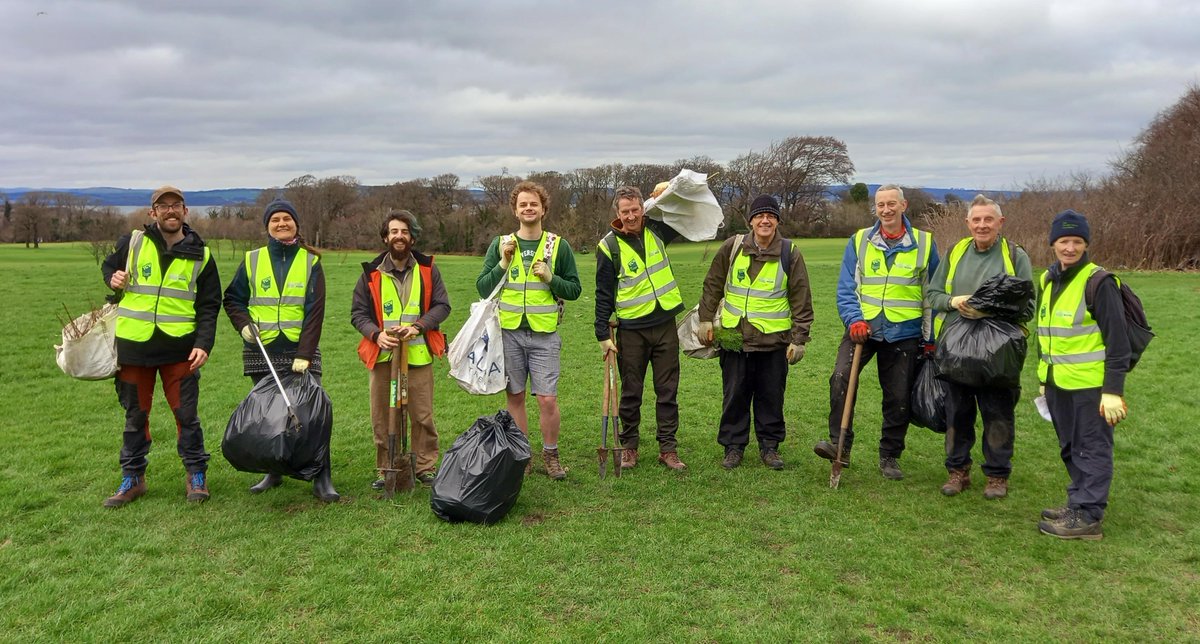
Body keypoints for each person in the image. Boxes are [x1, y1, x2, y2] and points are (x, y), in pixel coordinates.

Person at [99, 185, 221, 507]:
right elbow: (109, 267)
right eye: (163, 206)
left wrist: (204, 344)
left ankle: (196, 475)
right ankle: (133, 479)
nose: (170, 211)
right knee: (135, 417)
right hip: (134, 348)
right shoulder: (133, 242)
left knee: (187, 416)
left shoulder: (202, 254)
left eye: (176, 205)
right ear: (152, 212)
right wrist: (112, 277)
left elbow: (210, 305)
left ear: (185, 211)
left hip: (180, 351)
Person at [813, 184, 939, 480]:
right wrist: (854, 319)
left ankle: (890, 456)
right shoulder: (860, 241)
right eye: (881, 204)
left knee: (898, 397)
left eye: (891, 204)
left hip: (904, 332)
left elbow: (933, 295)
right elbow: (846, 288)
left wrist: (930, 339)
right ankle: (839, 446)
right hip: (863, 328)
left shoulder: (924, 243)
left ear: (903, 205)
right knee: (840, 378)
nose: (886, 209)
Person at [222, 198, 338, 502]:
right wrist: (243, 324)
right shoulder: (252, 260)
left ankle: (321, 477)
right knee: (268, 415)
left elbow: (316, 311)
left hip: (301, 350)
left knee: (312, 415)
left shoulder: (310, 261)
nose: (281, 224)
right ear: (267, 226)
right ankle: (273, 472)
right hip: (261, 349)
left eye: (287, 219)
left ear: (296, 225)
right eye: (275, 220)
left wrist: (306, 353)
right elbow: (232, 299)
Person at [926, 194, 1035, 500]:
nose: (982, 225)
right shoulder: (956, 252)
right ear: (968, 223)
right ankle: (957, 471)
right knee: (957, 414)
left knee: (997, 413)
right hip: (956, 351)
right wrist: (954, 301)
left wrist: (989, 310)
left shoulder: (1015, 256)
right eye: (977, 220)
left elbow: (1028, 307)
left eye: (989, 219)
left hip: (998, 354)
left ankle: (997, 475)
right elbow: (933, 294)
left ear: (1001, 223)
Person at [697, 194, 814, 470]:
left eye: (770, 216)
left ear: (777, 221)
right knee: (734, 395)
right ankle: (733, 447)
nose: (765, 220)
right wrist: (704, 319)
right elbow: (712, 284)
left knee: (770, 397)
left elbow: (801, 298)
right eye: (759, 216)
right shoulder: (733, 247)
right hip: (734, 340)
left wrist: (799, 339)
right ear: (750, 221)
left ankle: (770, 448)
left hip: (774, 342)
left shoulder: (790, 252)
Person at [476, 181, 582, 480]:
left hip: (544, 335)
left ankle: (550, 454)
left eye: (533, 203)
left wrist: (551, 278)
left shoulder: (557, 246)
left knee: (547, 399)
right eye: (522, 204)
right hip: (508, 333)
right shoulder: (501, 244)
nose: (528, 208)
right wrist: (502, 264)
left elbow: (574, 289)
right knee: (515, 397)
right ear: (515, 210)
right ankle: (521, 455)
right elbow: (483, 288)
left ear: (543, 209)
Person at [1035, 210, 1130, 540]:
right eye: (1064, 241)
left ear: (1086, 244)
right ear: (1053, 244)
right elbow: (1044, 332)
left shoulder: (1098, 282)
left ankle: (1089, 516)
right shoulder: (1048, 280)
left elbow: (1118, 342)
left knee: (1092, 448)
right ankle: (1078, 501)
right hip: (1057, 382)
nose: (1070, 248)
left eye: (1077, 241)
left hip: (1091, 386)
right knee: (1070, 446)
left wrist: (1113, 390)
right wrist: (1043, 376)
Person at [351, 211, 450, 489]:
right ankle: (386, 468)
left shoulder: (428, 269)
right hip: (383, 356)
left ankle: (424, 466)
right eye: (394, 231)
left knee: (422, 415)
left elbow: (442, 306)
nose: (399, 236)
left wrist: (419, 326)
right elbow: (357, 313)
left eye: (404, 231)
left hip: (417, 356)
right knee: (383, 415)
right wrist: (376, 334)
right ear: (385, 237)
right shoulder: (371, 273)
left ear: (412, 237)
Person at [595, 185, 687, 471]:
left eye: (636, 210)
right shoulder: (608, 246)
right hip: (631, 329)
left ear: (642, 208)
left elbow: (682, 207)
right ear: (617, 213)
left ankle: (668, 449)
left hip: (664, 325)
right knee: (631, 391)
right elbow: (603, 293)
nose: (632, 216)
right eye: (626, 212)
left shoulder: (658, 230)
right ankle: (629, 447)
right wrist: (601, 334)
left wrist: (666, 190)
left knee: (667, 391)